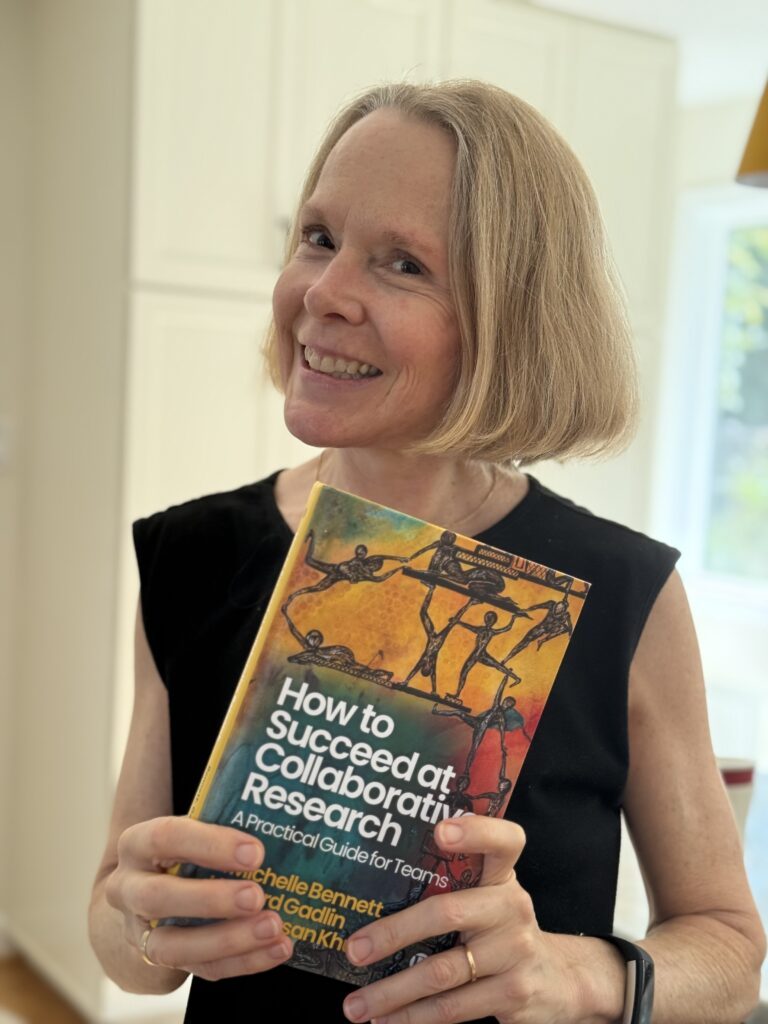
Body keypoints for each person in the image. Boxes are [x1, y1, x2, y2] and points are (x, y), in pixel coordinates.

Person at [88, 80, 766, 1023]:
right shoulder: (190, 555)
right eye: (319, 238)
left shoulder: (622, 591)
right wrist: (139, 920)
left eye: (401, 264)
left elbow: (729, 949)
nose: (322, 294)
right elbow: (133, 953)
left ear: (508, 320)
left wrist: (571, 975)